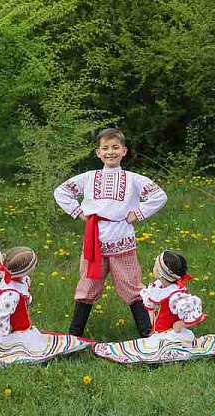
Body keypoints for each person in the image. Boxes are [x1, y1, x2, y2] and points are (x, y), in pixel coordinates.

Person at [53, 127, 168, 339]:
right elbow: (61, 192)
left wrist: (139, 212)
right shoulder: (89, 177)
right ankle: (75, 334)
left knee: (131, 285)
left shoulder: (133, 179)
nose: (110, 152)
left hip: (122, 240)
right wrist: (79, 212)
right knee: (87, 284)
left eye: (115, 147)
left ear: (124, 151)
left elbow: (159, 196)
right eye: (105, 148)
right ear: (98, 153)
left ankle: (147, 334)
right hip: (94, 241)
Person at [93, 250, 215, 364]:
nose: (153, 267)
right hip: (161, 332)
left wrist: (181, 323)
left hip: (173, 334)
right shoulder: (158, 288)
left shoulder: (175, 294)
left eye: (155, 265)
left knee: (153, 348)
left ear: (161, 272)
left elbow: (192, 313)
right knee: (150, 343)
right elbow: (151, 307)